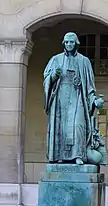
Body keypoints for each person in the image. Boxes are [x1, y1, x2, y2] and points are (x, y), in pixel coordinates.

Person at [43, 32, 104, 165]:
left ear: (76, 43)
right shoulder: (56, 59)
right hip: (60, 99)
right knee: (60, 128)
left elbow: (90, 86)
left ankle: (78, 155)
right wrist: (53, 76)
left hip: (77, 97)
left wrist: (94, 101)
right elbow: (46, 79)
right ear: (63, 44)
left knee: (77, 126)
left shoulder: (84, 61)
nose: (69, 44)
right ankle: (59, 156)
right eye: (66, 42)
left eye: (71, 42)